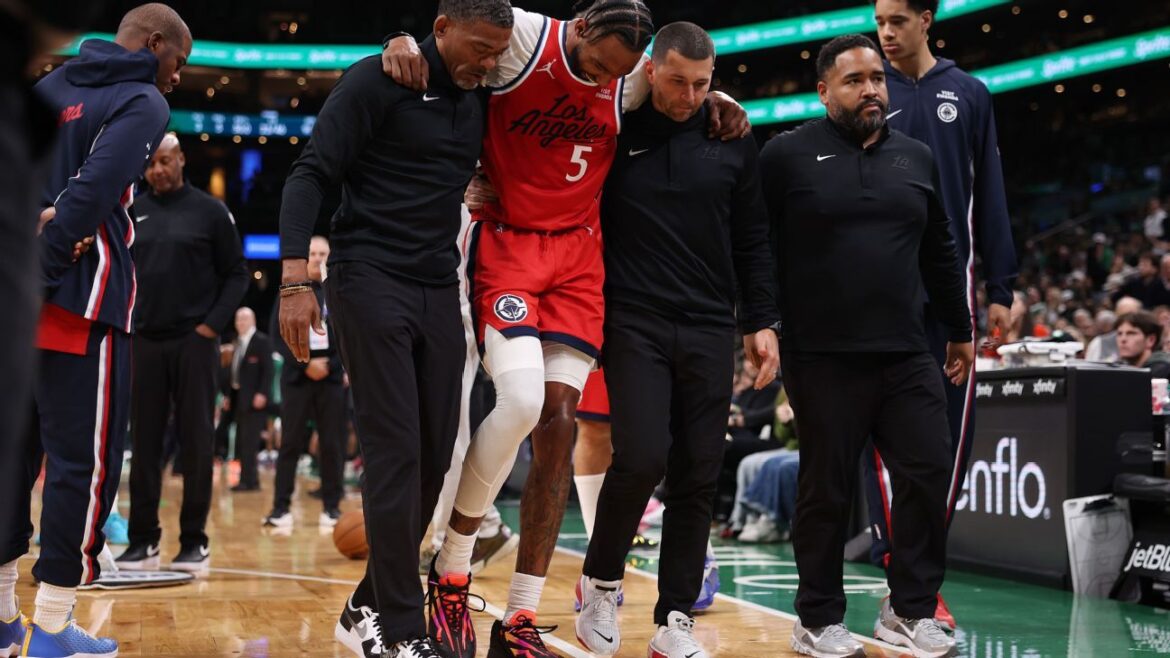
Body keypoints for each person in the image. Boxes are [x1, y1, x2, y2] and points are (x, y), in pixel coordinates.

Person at [382, 3, 750, 655]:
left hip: (579, 258)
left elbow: (682, 85)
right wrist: (403, 38)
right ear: (579, 29)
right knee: (519, 402)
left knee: (559, 425)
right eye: (601, 66)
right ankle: (452, 567)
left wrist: (719, 96)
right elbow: (457, 38)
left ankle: (520, 616)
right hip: (506, 242)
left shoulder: (631, 78)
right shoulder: (525, 37)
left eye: (621, 73)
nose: (607, 81)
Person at [277, 2, 514, 656]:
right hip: (368, 275)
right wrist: (294, 280)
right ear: (442, 28)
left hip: (438, 283)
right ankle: (402, 633)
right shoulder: (375, 81)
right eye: (479, 48)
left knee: (436, 457)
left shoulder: (483, 88)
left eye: (499, 52)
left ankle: (365, 605)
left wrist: (715, 96)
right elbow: (310, 174)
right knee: (396, 450)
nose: (490, 62)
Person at [760, 34, 970, 658]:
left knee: (929, 471)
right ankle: (817, 617)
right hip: (821, 354)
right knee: (826, 490)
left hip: (906, 350)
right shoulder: (786, 155)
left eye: (876, 78)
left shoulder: (916, 157)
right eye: (854, 81)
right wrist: (759, 322)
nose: (871, 89)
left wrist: (960, 329)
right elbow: (755, 246)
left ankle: (909, 609)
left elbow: (940, 250)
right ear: (823, 91)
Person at [574, 22, 779, 658]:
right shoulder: (616, 127)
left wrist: (761, 321)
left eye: (701, 84)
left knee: (698, 472)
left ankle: (675, 619)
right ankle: (600, 585)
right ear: (650, 71)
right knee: (641, 457)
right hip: (632, 319)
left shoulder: (731, 136)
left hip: (710, 324)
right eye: (676, 81)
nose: (689, 96)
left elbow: (753, 237)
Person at [0, 4, 190, 656]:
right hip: (80, 302)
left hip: (16, 305)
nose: (177, 77)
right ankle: (53, 626)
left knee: (12, 460)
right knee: (81, 465)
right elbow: (91, 194)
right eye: (179, 62)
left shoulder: (47, 86)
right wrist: (46, 261)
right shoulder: (143, 100)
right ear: (154, 44)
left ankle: (3, 618)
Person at [865, 0, 1018, 627]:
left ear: (926, 19)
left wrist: (1002, 286)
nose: (885, 32)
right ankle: (900, 577)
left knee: (948, 447)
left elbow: (991, 194)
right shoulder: (865, 87)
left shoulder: (970, 94)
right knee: (880, 445)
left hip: (952, 302)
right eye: (879, 20)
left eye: (897, 20)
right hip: (878, 297)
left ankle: (922, 582)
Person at [116, 132, 248, 575]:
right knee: (145, 443)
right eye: (151, 163)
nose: (157, 170)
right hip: (145, 341)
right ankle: (142, 541)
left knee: (196, 443)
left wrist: (210, 326)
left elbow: (237, 274)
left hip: (194, 340)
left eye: (165, 161)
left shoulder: (211, 211)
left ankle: (194, 541)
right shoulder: (133, 211)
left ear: (182, 160)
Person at [264, 236, 348, 529]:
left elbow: (350, 335)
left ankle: (332, 507)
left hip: (331, 377)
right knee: (290, 443)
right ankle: (280, 508)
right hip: (297, 377)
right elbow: (277, 335)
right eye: (312, 253)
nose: (317, 258)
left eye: (323, 253)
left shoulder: (338, 292)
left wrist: (331, 365)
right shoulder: (290, 292)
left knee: (332, 444)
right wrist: (306, 364)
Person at [224, 307, 274, 494]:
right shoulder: (237, 342)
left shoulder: (262, 341)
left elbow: (268, 370)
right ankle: (248, 480)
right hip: (239, 398)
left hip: (255, 399)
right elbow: (234, 373)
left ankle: (249, 481)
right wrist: (229, 395)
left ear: (252, 320)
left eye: (244, 319)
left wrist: (262, 393)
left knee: (250, 442)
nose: (240, 322)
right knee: (242, 441)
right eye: (237, 319)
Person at [1116, 312, 1170, 379]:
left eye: (1131, 333)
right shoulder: (1118, 367)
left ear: (1151, 340)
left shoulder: (1164, 372)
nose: (1123, 339)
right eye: (1119, 334)